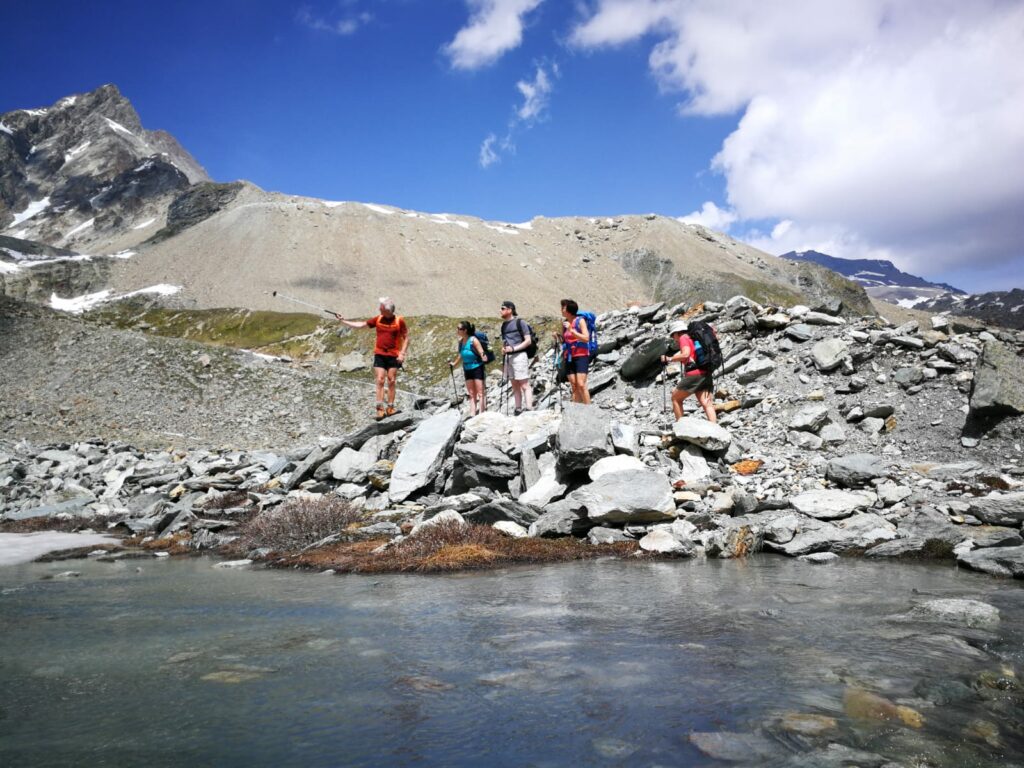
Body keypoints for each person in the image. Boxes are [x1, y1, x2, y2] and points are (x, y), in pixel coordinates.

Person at [336, 297, 409, 420]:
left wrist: (402, 353)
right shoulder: (378, 319)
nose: (379, 309)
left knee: (391, 380)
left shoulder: (399, 321)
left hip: (394, 355)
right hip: (380, 354)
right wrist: (344, 321)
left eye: (381, 308)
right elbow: (362, 325)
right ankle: (379, 409)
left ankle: (390, 408)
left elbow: (406, 337)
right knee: (380, 380)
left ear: (387, 310)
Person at [661, 320, 717, 423]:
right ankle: (714, 428)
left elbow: (686, 354)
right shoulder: (694, 337)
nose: (674, 338)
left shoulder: (684, 337)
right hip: (705, 372)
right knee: (706, 402)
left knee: (675, 398)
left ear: (677, 332)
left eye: (673, 335)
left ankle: (680, 427)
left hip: (694, 374)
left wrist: (669, 359)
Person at [499, 300, 534, 415]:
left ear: (510, 310)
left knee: (524, 384)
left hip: (519, 355)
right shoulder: (503, 325)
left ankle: (529, 408)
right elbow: (505, 341)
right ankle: (518, 408)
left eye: (503, 308)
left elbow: (528, 341)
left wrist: (513, 348)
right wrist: (504, 349)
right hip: (509, 357)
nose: (500, 311)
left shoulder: (520, 322)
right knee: (514, 385)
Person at [557, 298, 591, 405]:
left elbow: (586, 338)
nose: (561, 309)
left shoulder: (580, 321)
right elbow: (565, 341)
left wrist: (571, 330)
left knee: (581, 384)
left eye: (563, 307)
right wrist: (558, 337)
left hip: (581, 355)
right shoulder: (565, 323)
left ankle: (589, 409)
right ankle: (576, 409)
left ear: (569, 310)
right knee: (574, 385)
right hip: (569, 356)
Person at [450, 321, 488, 416]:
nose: (457, 330)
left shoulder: (473, 340)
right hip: (467, 368)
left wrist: (483, 356)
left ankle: (482, 413)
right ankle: (472, 414)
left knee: (480, 392)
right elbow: (461, 354)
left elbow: (481, 351)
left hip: (477, 367)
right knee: (471, 393)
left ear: (465, 330)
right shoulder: (461, 342)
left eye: (459, 329)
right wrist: (454, 363)